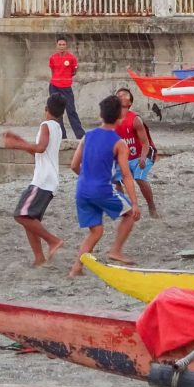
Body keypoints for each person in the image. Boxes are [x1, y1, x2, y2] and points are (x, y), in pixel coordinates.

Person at [68, 95, 141, 277]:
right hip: (102, 190)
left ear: (101, 114)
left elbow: (74, 165)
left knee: (96, 231)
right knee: (130, 214)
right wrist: (135, 203)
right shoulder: (119, 143)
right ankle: (115, 250)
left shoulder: (87, 136)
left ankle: (76, 268)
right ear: (120, 116)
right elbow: (126, 176)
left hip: (82, 190)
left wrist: (88, 178)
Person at [3, 95, 67, 266]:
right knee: (29, 218)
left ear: (46, 109)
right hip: (48, 179)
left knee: (20, 215)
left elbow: (40, 148)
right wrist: (20, 140)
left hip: (43, 180)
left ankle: (53, 241)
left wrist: (15, 145)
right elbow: (39, 152)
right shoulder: (57, 128)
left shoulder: (46, 125)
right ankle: (39, 258)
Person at [113, 87, 159, 218]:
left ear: (130, 102)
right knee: (114, 179)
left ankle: (151, 206)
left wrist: (143, 158)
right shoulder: (111, 120)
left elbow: (145, 143)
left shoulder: (135, 119)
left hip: (142, 153)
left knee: (139, 177)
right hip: (124, 156)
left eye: (124, 95)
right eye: (118, 95)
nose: (120, 96)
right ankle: (124, 207)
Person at [49, 36, 84, 139]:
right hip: (54, 87)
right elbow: (52, 71)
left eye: (63, 44)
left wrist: (66, 78)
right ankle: (62, 135)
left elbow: (74, 71)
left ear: (66, 46)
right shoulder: (52, 58)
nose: (61, 46)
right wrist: (56, 79)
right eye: (60, 44)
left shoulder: (71, 58)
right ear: (56, 45)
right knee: (57, 113)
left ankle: (80, 134)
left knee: (71, 110)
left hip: (66, 88)